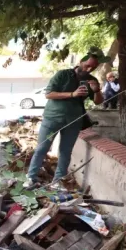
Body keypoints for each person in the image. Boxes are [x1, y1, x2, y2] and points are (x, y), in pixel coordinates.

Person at [24, 49, 106, 190]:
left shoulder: (92, 80)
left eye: (93, 67)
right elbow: (49, 94)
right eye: (87, 65)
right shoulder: (63, 74)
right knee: (42, 148)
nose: (89, 69)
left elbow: (98, 102)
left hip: (73, 121)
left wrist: (97, 90)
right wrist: (72, 94)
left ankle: (58, 181)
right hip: (52, 119)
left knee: (65, 151)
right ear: (81, 61)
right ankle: (31, 178)